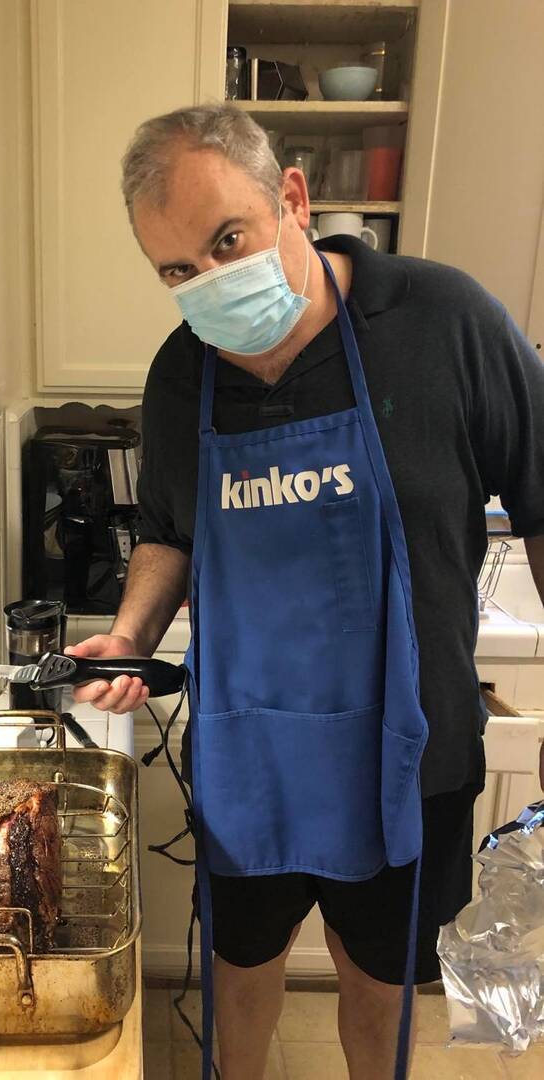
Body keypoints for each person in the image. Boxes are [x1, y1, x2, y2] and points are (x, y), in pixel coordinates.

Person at [67, 104, 544, 1080]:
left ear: (292, 197)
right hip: (255, 758)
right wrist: (125, 637)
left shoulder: (445, 324)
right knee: (241, 978)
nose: (209, 284)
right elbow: (167, 531)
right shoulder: (181, 376)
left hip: (410, 757)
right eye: (177, 271)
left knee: (378, 992)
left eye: (226, 241)